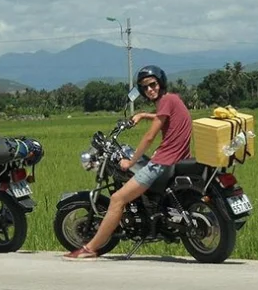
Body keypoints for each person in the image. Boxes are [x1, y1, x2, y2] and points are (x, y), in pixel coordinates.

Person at [64, 65, 192, 260]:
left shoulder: (166, 100)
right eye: (145, 87)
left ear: (161, 83)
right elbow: (163, 117)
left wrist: (130, 162)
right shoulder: (173, 99)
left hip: (162, 162)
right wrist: (143, 115)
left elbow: (149, 137)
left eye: (153, 84)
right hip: (178, 159)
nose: (150, 89)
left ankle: (89, 248)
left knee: (117, 199)